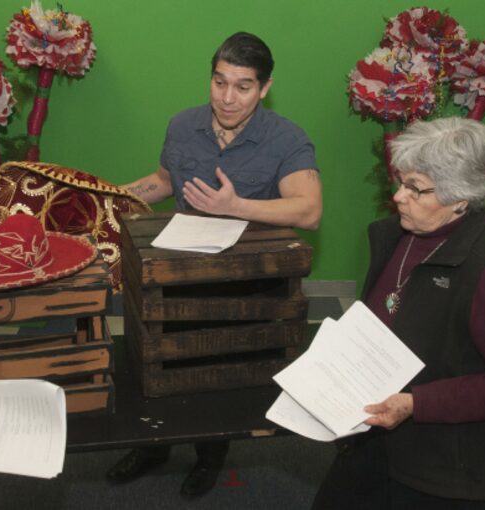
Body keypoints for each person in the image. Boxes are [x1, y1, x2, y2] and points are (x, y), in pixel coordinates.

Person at [108, 32, 322, 498]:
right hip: (173, 272)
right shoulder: (183, 125)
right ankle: (153, 446)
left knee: (215, 373)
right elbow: (164, 180)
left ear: (264, 88)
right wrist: (109, 201)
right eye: (219, 82)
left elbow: (308, 210)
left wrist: (236, 206)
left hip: (243, 284)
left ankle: (210, 456)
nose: (227, 98)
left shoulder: (287, 138)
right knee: (155, 359)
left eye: (242, 87)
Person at [311, 117, 485, 509]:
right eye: (400, 181)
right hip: (376, 443)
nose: (399, 197)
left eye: (415, 189)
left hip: (448, 469)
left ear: (460, 199)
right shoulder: (396, 236)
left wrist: (416, 403)